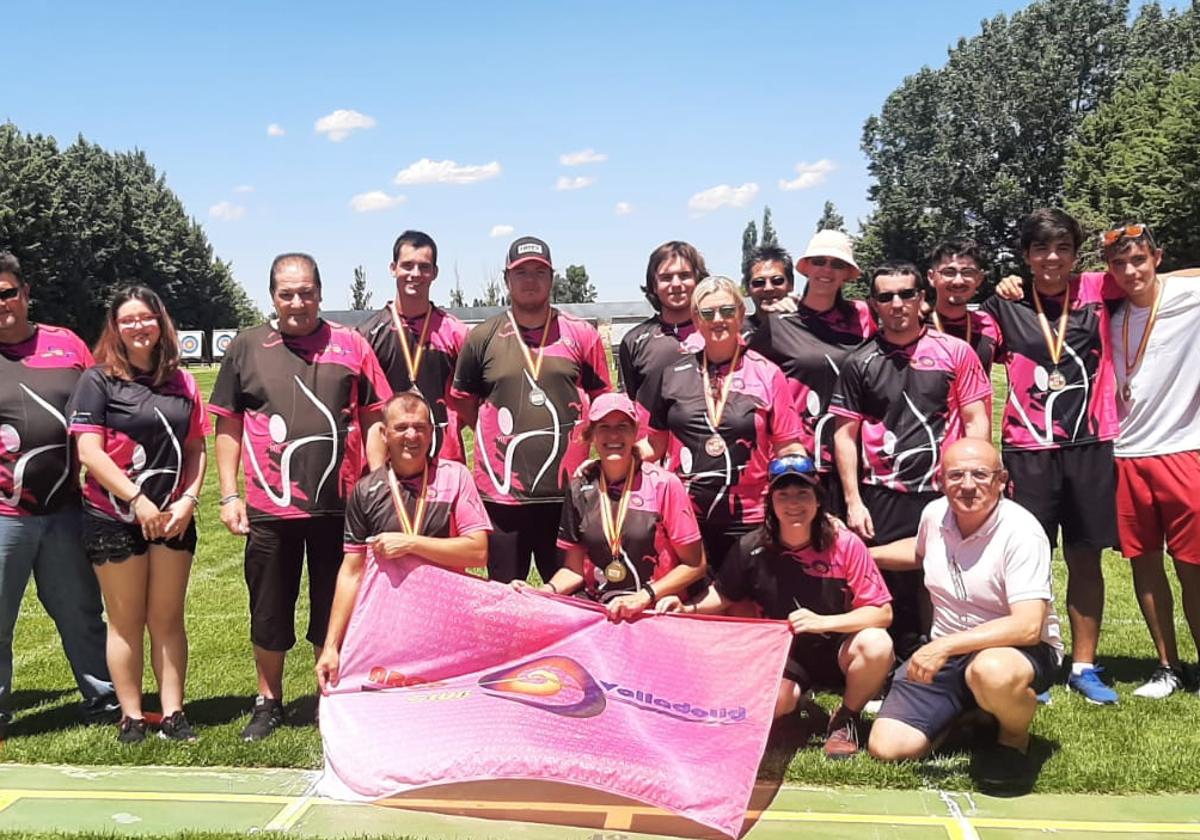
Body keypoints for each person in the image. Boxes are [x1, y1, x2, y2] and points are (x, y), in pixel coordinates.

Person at [210, 253, 390, 741]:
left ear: (320, 293)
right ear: (272, 296)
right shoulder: (247, 347)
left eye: (306, 292)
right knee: (269, 609)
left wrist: (377, 487)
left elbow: (375, 416)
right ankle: (268, 700)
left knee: (334, 605)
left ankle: (328, 696)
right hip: (271, 507)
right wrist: (229, 495)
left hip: (341, 505)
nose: (297, 302)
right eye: (287, 293)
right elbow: (226, 423)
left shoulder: (351, 345)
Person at [663, 454, 894, 759]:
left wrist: (822, 622)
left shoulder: (846, 543)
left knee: (877, 644)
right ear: (770, 501)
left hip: (839, 649)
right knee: (779, 702)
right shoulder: (751, 547)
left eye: (803, 493)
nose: (793, 503)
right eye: (783, 494)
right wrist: (686, 609)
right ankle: (794, 702)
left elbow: (882, 612)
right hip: (783, 652)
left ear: (818, 498)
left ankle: (846, 717)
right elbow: (723, 594)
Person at [981, 208, 1121, 704]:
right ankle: (1033, 661)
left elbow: (1157, 277)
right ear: (1026, 255)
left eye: (1062, 247)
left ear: (1075, 252)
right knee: (1025, 565)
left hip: (1089, 444)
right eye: (1041, 248)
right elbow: (973, 354)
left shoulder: (1099, 290)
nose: (1052, 258)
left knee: (1086, 558)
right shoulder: (1004, 305)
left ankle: (1083, 665)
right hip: (1027, 451)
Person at [868, 439, 1063, 789]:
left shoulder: (1022, 532)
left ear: (1002, 480)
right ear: (940, 481)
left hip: (1016, 652)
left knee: (990, 671)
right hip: (950, 649)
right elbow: (918, 551)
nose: (968, 485)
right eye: (956, 475)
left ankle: (1014, 738)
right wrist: (864, 554)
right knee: (887, 747)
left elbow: (1028, 626)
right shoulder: (935, 513)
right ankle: (973, 714)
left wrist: (942, 647)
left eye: (980, 475)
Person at [68, 287, 208, 743]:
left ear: (160, 322)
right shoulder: (98, 380)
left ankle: (173, 713)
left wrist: (187, 500)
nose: (138, 327)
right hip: (115, 517)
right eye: (128, 320)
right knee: (125, 621)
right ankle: (131, 716)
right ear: (116, 328)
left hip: (172, 518)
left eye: (145, 317)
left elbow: (195, 447)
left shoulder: (183, 381)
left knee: (167, 619)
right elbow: (89, 451)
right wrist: (136, 500)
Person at [831, 261, 991, 657]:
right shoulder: (859, 361)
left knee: (942, 580)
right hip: (881, 493)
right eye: (886, 296)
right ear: (874, 304)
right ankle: (889, 669)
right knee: (886, 587)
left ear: (922, 299)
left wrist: (976, 481)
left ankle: (944, 663)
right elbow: (844, 435)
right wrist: (853, 500)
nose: (897, 303)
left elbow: (976, 419)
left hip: (940, 491)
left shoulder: (956, 352)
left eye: (906, 294)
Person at [0, 252, 116, 736]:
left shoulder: (65, 343)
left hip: (68, 508)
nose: (1, 303)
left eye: (7, 292)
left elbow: (103, 399)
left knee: (82, 612)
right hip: (5, 513)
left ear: (25, 293)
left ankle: (104, 701)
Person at [451, 236, 611, 585]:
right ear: (506, 279)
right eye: (521, 272)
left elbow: (603, 402)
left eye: (539, 271)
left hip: (567, 496)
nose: (530, 279)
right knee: (505, 595)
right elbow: (464, 403)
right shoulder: (482, 337)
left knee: (572, 594)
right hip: (503, 498)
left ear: (552, 278)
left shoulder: (581, 335)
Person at [316, 392, 490, 692]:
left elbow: (477, 552)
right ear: (384, 433)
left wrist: (411, 544)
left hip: (448, 622)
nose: (412, 436)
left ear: (432, 431)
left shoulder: (455, 477)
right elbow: (351, 571)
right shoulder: (367, 491)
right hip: (390, 626)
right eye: (401, 428)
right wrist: (332, 645)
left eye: (420, 427)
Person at [638, 276, 804, 570]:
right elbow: (654, 445)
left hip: (751, 517)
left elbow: (788, 445)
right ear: (695, 319)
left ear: (741, 315)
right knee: (688, 608)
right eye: (708, 313)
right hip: (685, 517)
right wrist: (609, 461)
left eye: (727, 311)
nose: (718, 320)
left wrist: (802, 503)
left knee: (745, 611)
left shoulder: (768, 374)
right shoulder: (672, 374)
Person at [1102, 225, 1200, 698]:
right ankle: (1168, 666)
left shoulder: (1188, 296)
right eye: (1119, 264)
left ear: (1157, 257)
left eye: (1139, 260)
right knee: (1144, 565)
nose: (1130, 271)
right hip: (1125, 455)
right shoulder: (1109, 311)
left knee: (1193, 566)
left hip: (1183, 450)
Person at [532, 393, 705, 620]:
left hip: (653, 611)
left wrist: (644, 596)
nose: (613, 435)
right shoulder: (579, 488)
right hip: (601, 613)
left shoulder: (665, 485)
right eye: (604, 426)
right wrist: (545, 592)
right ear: (591, 434)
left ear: (635, 432)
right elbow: (573, 570)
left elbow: (695, 565)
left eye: (622, 426)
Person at [747, 231, 876, 513]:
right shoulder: (779, 323)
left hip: (856, 455)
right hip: (800, 457)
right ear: (806, 268)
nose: (826, 270)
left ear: (847, 274)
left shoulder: (864, 317)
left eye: (837, 264)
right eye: (819, 261)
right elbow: (750, 382)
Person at [357, 230, 470, 462]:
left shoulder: (455, 333)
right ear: (393, 268)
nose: (415, 274)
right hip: (386, 462)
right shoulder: (367, 335)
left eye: (424, 267)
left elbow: (475, 399)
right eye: (407, 265)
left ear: (435, 273)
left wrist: (451, 425)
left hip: (443, 462)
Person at [618, 241, 708, 400]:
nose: (676, 284)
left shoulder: (718, 333)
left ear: (698, 280)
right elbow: (627, 405)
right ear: (653, 285)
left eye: (684, 276)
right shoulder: (634, 342)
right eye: (666, 277)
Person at [926, 238, 1002, 373]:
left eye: (968, 272)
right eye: (949, 272)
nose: (958, 281)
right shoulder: (916, 325)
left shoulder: (988, 324)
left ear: (979, 279)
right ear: (931, 277)